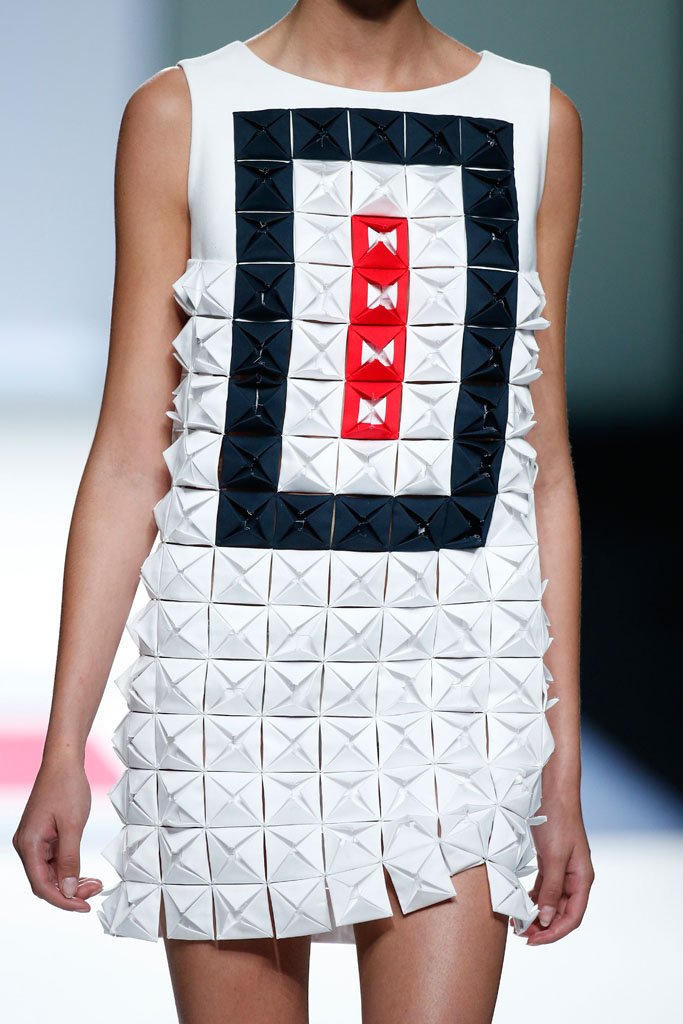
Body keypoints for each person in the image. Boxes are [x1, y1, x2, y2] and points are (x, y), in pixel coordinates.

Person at [12, 1, 594, 1021]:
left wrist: (561, 768)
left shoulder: (534, 118)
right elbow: (129, 459)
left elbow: (539, 466)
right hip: (230, 675)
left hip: (455, 685)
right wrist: (67, 747)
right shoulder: (182, 112)